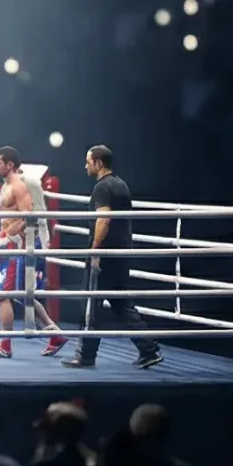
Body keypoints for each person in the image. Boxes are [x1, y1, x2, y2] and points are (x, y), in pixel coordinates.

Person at [65, 145, 163, 370]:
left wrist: (95, 251)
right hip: (120, 252)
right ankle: (148, 349)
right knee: (120, 304)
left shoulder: (102, 187)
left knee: (91, 305)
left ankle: (86, 356)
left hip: (105, 255)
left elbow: (104, 219)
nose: (86, 165)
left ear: (99, 163)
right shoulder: (121, 184)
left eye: (88, 161)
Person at [0, 146, 69, 358]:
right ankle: (54, 333)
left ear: (9, 165)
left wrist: (10, 237)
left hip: (16, 246)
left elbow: (28, 216)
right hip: (8, 245)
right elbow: (7, 218)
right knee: (22, 293)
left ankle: (5, 346)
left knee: (3, 295)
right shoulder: (4, 186)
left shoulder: (18, 187)